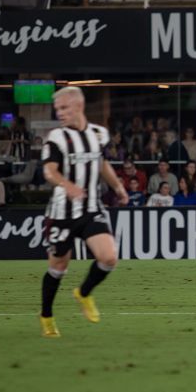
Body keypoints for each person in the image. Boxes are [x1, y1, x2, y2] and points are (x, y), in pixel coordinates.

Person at [38, 87, 127, 338]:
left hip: (90, 208)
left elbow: (101, 164)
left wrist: (118, 186)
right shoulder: (55, 137)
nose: (60, 113)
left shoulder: (99, 134)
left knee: (109, 258)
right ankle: (46, 316)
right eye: (58, 110)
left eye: (64, 108)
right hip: (61, 213)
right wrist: (68, 186)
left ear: (79, 106)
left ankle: (84, 293)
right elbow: (49, 171)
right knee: (58, 266)